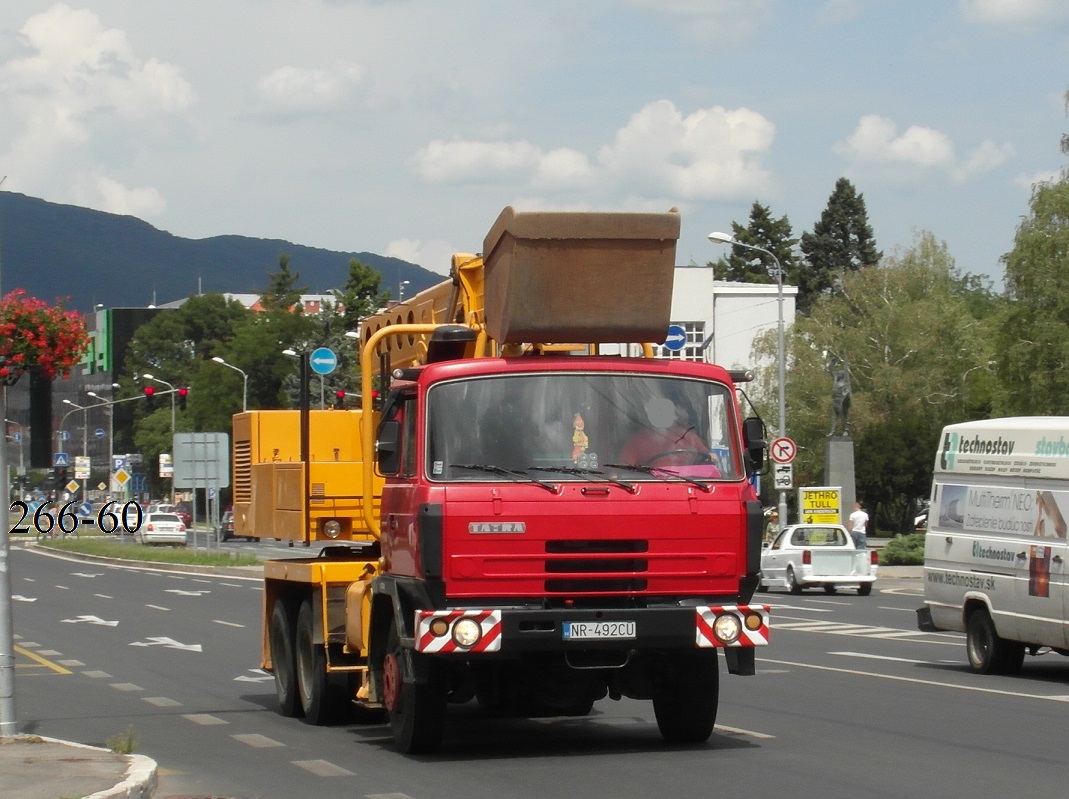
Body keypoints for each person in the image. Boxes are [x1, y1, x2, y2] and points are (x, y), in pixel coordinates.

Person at [618, 395, 714, 470]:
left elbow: (707, 457)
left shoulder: (687, 436)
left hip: (689, 485)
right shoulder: (637, 441)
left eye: (665, 410)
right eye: (657, 411)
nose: (661, 414)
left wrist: (713, 457)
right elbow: (624, 468)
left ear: (673, 415)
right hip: (652, 488)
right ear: (649, 414)